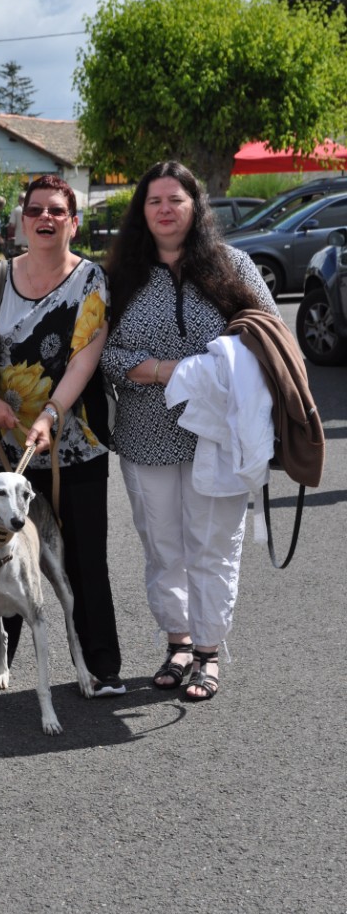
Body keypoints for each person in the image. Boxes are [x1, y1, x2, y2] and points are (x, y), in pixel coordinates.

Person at [101, 160, 280, 702]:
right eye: (154, 201)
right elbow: (101, 352)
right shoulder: (119, 276)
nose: (165, 210)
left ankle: (208, 650)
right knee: (162, 547)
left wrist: (211, 373)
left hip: (219, 437)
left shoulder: (233, 265)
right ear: (142, 211)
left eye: (175, 200)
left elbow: (272, 337)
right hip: (145, 435)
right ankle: (177, 642)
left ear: (195, 206)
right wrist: (166, 372)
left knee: (213, 546)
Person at [0, 174, 123, 697]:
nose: (45, 218)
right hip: (5, 448)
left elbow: (84, 360)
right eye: (35, 210)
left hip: (76, 442)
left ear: (74, 222)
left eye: (56, 211)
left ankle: (99, 666)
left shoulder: (91, 279)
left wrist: (49, 414)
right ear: (22, 221)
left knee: (83, 558)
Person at [6, 191, 27, 256]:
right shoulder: (33, 210)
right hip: (31, 242)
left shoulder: (16, 210)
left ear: (18, 200)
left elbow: (12, 225)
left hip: (19, 241)